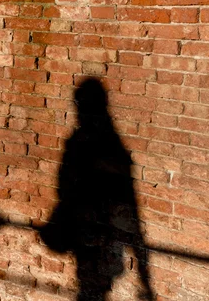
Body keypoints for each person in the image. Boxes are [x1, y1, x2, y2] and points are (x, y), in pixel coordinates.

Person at [41, 78, 153, 300]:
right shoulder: (107, 144)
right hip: (94, 231)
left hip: (92, 231)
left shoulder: (81, 142)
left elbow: (63, 188)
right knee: (93, 288)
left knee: (92, 288)